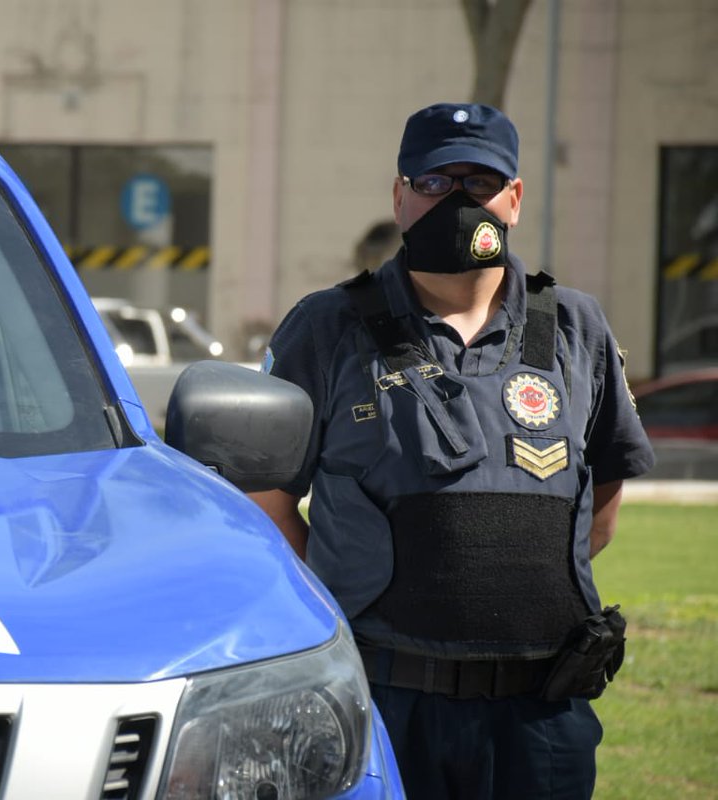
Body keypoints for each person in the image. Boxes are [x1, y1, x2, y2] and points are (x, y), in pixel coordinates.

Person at [250, 102, 655, 800]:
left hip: (540, 716)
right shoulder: (328, 325)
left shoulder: (574, 326)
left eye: (479, 183)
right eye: (435, 183)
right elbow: (267, 501)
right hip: (385, 703)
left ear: (515, 198)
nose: (457, 202)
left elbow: (603, 501)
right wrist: (355, 578)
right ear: (400, 195)